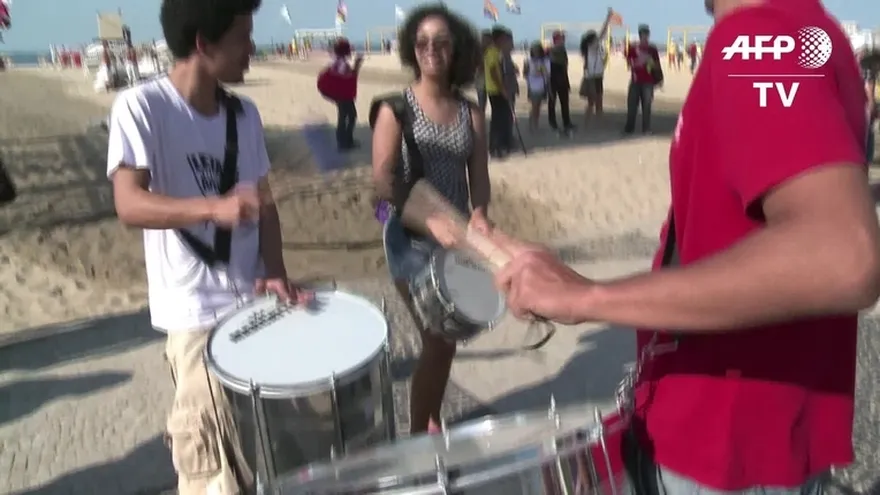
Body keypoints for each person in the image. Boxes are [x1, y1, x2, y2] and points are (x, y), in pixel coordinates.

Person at [492, 0, 878, 493]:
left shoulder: (757, 39)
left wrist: (583, 296)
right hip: (762, 432)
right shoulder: (807, 32)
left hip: (725, 446)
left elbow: (840, 253)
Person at [106, 0, 311, 492]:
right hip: (195, 319)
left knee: (271, 460)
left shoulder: (245, 115)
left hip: (254, 309)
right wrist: (212, 208)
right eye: (243, 37)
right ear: (204, 43)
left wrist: (275, 270)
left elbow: (264, 202)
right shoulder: (142, 107)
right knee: (212, 474)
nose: (252, 49)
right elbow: (129, 203)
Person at [371, 3, 490, 434]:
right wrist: (427, 217)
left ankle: (431, 417)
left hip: (455, 239)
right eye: (421, 42)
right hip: (408, 237)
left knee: (447, 341)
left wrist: (480, 217)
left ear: (455, 47)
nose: (431, 50)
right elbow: (383, 182)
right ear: (411, 49)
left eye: (440, 41)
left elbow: (479, 178)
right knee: (438, 339)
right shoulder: (394, 109)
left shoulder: (471, 112)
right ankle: (419, 435)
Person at [579, 8, 615, 126]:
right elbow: (602, 33)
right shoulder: (591, 48)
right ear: (591, 41)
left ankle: (598, 123)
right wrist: (608, 18)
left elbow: (601, 36)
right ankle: (587, 123)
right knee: (592, 102)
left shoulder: (594, 49)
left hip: (598, 76)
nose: (597, 40)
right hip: (592, 78)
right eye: (595, 39)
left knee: (598, 101)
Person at [623, 24, 660, 135]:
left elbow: (657, 66)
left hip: (648, 81)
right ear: (640, 35)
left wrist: (650, 62)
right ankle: (629, 128)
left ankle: (646, 128)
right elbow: (629, 64)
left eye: (646, 34)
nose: (644, 36)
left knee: (647, 106)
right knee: (632, 105)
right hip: (635, 80)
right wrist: (638, 62)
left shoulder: (652, 49)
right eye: (642, 34)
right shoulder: (633, 48)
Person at [484, 26, 514, 158]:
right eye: (505, 40)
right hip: (495, 90)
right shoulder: (493, 52)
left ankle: (501, 145)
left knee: (502, 118)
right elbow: (493, 72)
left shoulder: (496, 52)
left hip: (496, 89)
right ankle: (495, 148)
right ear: (500, 39)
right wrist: (502, 89)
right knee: (498, 119)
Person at [547, 30, 575, 135]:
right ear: (556, 40)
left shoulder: (562, 50)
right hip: (553, 79)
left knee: (564, 102)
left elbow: (564, 66)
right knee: (552, 102)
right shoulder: (551, 51)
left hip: (562, 79)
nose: (563, 40)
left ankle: (566, 122)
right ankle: (553, 123)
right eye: (561, 38)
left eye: (563, 38)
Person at [523, 41, 550, 131]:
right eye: (534, 50)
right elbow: (525, 74)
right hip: (532, 86)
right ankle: (532, 125)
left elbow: (547, 73)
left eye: (537, 50)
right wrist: (529, 73)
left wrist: (541, 71)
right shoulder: (528, 61)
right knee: (534, 107)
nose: (536, 52)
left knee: (538, 107)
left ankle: (535, 124)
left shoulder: (545, 61)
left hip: (542, 86)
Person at [475, 30, 492, 113]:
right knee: (481, 104)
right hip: (481, 82)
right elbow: (477, 67)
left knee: (495, 105)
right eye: (484, 39)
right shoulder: (478, 51)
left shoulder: (493, 51)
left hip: (492, 82)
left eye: (487, 39)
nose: (485, 41)